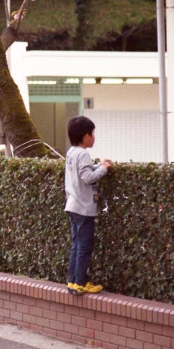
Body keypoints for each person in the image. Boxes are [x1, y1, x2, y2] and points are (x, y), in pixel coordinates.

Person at [64, 115, 112, 296]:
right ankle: (82, 282)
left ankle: (73, 281)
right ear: (85, 136)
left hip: (73, 204)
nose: (94, 136)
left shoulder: (72, 152)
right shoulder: (83, 153)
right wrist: (104, 169)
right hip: (83, 207)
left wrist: (97, 165)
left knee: (76, 245)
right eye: (93, 133)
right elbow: (87, 177)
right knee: (84, 246)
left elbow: (82, 171)